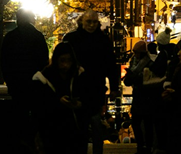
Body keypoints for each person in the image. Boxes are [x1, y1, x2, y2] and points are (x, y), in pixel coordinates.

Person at [62, 9, 119, 154]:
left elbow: (111, 65)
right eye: (89, 21)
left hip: (94, 88)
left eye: (94, 22)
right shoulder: (75, 39)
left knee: (93, 124)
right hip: (79, 87)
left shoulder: (100, 40)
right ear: (82, 21)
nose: (92, 25)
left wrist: (113, 87)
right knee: (83, 125)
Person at [31, 41, 94, 154]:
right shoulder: (43, 79)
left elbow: (89, 98)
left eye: (69, 61)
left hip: (75, 131)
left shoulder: (80, 75)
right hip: (52, 131)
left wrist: (80, 104)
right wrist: (57, 101)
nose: (66, 65)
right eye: (62, 61)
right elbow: (39, 104)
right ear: (56, 60)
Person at [0, 9, 49, 150]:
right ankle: (31, 140)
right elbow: (44, 61)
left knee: (19, 114)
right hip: (34, 83)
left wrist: (9, 80)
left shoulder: (10, 37)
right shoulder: (37, 36)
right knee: (35, 114)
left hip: (16, 83)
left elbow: (4, 61)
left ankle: (21, 143)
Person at [123, 40, 163, 154]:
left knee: (147, 122)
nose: (134, 54)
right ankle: (142, 145)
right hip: (139, 96)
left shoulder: (149, 63)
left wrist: (132, 76)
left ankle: (146, 146)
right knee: (138, 122)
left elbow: (141, 79)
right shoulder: (135, 61)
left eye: (136, 52)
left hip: (147, 96)